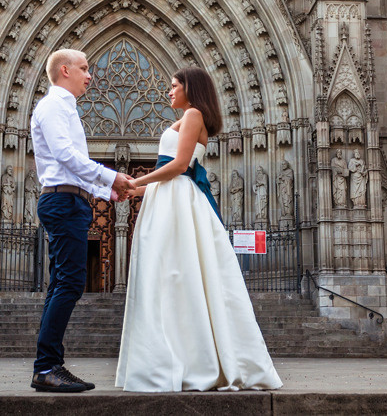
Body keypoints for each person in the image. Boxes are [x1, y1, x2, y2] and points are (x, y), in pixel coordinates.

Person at [116, 67, 282, 392]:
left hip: (177, 198)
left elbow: (179, 167)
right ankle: (179, 358)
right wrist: (130, 189)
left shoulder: (193, 114)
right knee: (172, 279)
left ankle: (192, 361)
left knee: (180, 275)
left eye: (174, 86)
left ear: (190, 88)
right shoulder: (188, 116)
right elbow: (170, 171)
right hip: (168, 196)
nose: (169, 91)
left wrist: (136, 181)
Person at [30, 49, 134, 393]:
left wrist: (108, 192)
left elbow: (71, 165)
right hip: (61, 201)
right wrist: (109, 176)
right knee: (71, 283)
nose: (90, 75)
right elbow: (64, 156)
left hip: (70, 198)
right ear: (64, 70)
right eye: (85, 68)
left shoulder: (65, 108)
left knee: (61, 283)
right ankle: (46, 366)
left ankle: (50, 366)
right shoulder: (53, 106)